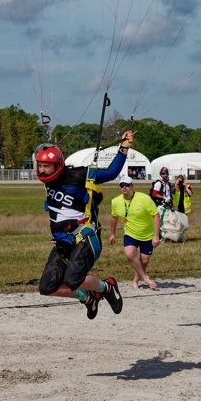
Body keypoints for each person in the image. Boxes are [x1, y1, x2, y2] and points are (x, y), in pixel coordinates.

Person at [36, 129, 135, 319]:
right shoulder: (49, 182)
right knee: (47, 287)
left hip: (86, 237)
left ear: (57, 164)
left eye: (46, 166)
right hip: (63, 241)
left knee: (73, 279)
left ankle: (106, 287)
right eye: (39, 165)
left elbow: (111, 173)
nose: (41, 170)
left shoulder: (80, 175)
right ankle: (88, 298)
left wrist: (123, 147)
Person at [108, 173, 161, 289]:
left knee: (144, 261)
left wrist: (156, 236)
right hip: (130, 233)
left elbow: (156, 216)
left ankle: (136, 280)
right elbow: (114, 217)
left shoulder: (144, 199)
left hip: (147, 234)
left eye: (127, 185)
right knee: (130, 254)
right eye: (122, 185)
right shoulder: (115, 202)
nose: (124, 187)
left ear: (132, 187)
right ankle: (145, 278)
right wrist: (113, 234)